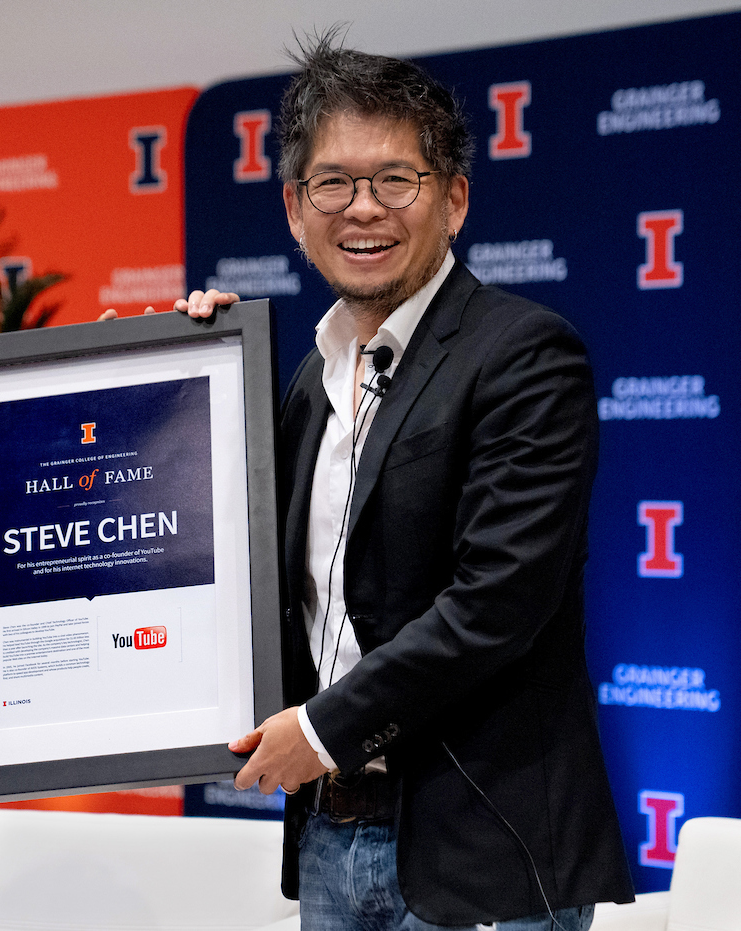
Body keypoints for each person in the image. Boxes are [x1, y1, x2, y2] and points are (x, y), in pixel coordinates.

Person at [179, 34, 634, 931]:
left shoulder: (524, 354)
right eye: (333, 183)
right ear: (295, 210)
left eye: (397, 179)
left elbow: (496, 603)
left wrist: (316, 732)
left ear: (454, 199)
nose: (364, 209)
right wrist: (171, 382)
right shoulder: (309, 378)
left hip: (480, 849)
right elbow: (266, 582)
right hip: (332, 839)